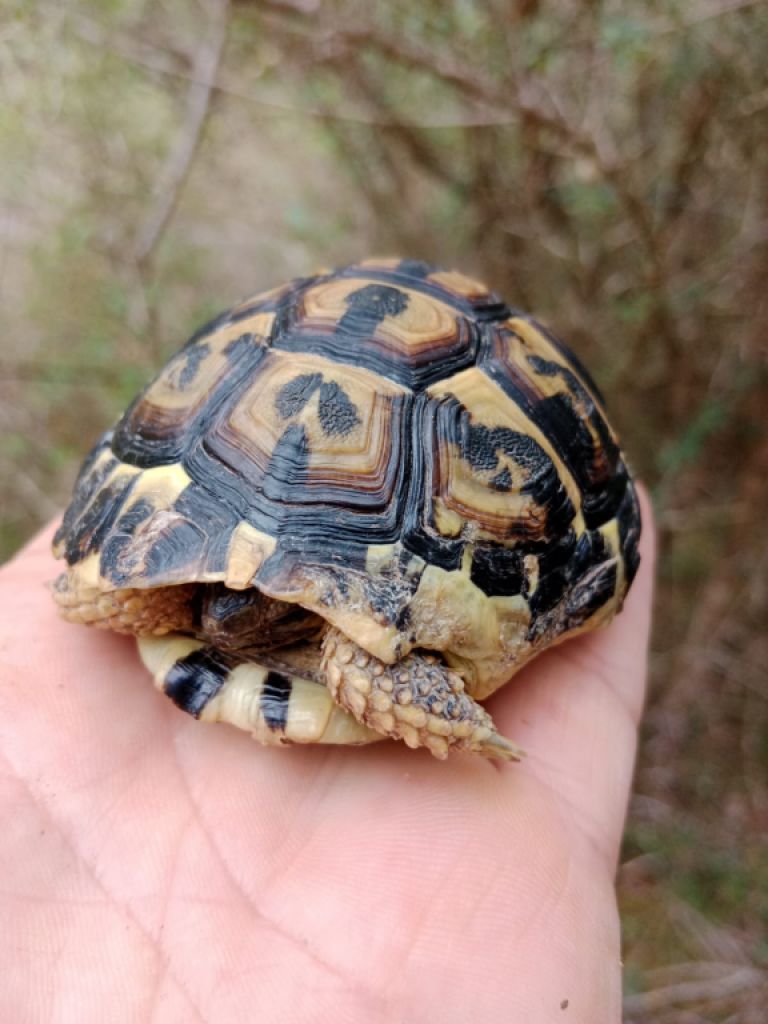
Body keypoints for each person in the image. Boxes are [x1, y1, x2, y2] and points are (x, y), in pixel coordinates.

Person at [0, 492, 654, 1023]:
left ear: (296, 610)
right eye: (215, 602)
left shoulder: (348, 647)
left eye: (254, 612)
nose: (225, 622)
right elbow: (133, 589)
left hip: (375, 605)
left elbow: (367, 646)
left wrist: (458, 722)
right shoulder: (193, 600)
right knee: (110, 595)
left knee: (365, 667)